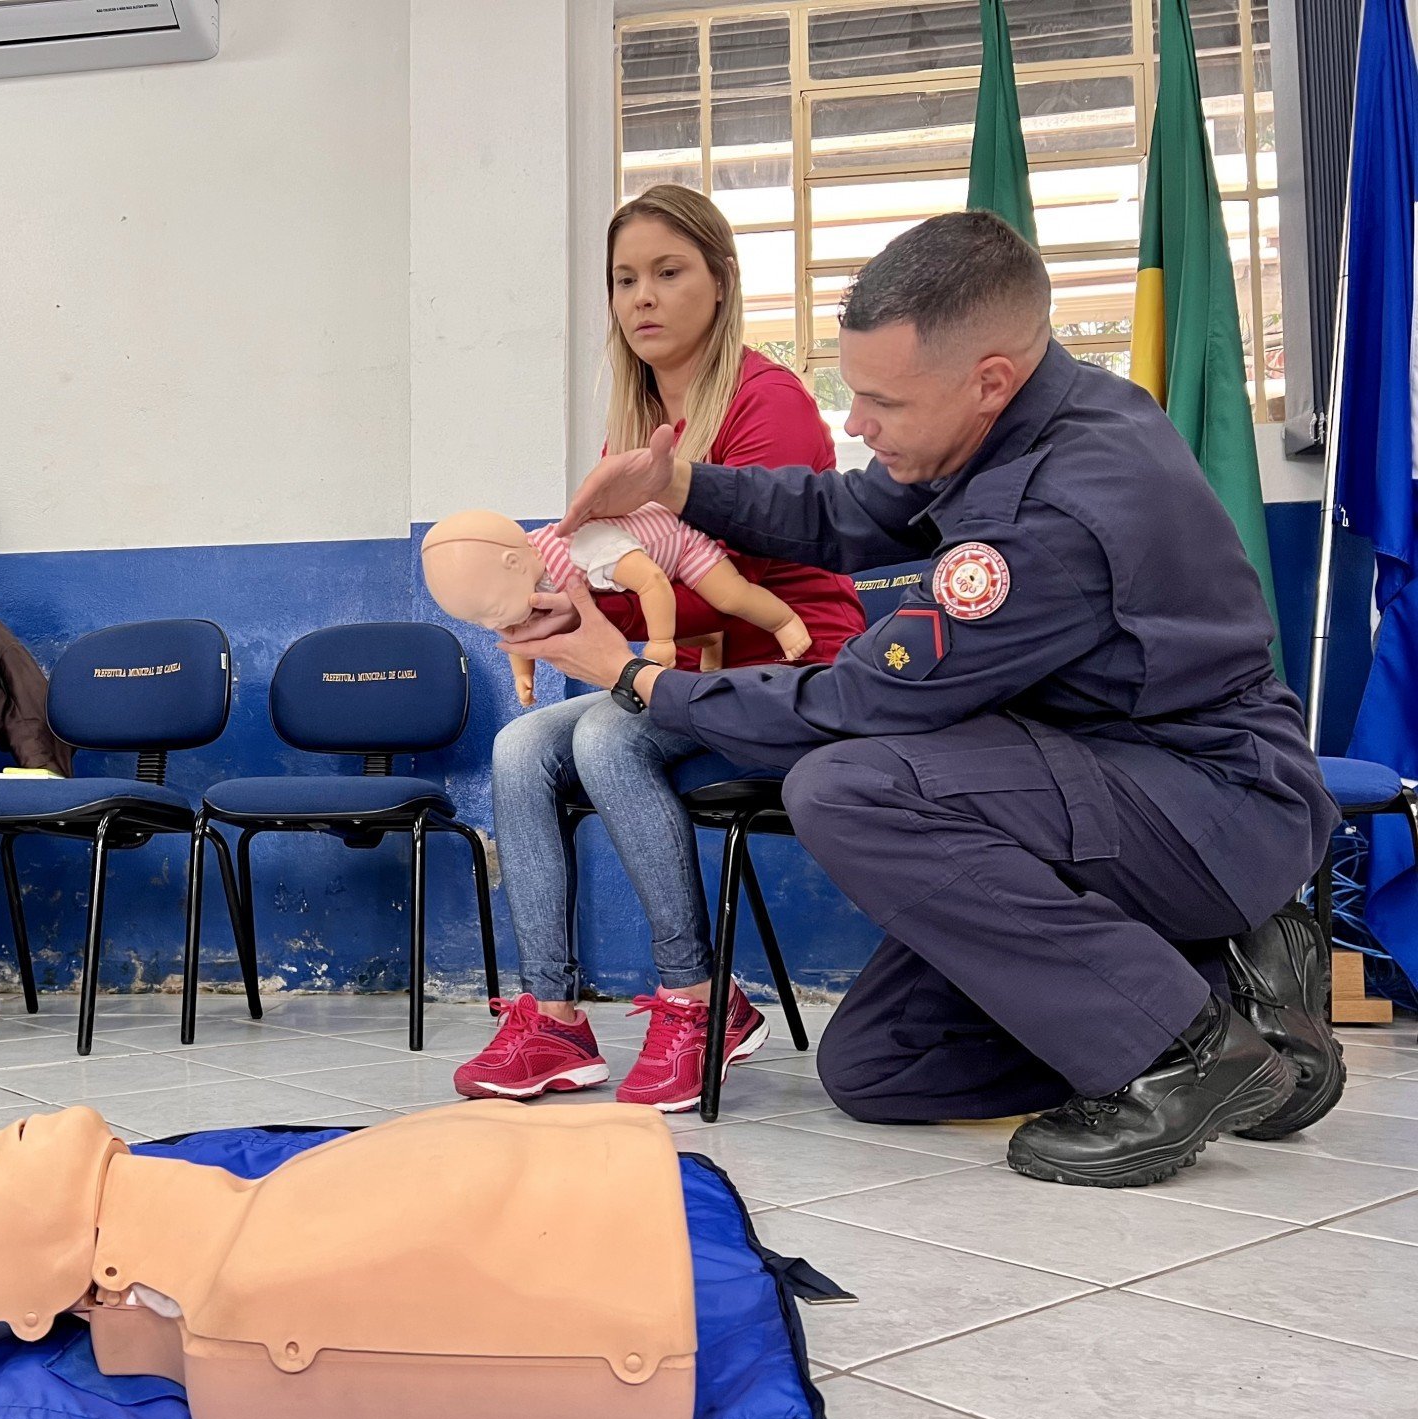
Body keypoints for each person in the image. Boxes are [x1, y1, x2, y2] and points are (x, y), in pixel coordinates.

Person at [519, 210, 1341, 1188]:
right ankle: (1223, 986)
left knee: (845, 785)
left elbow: (851, 708)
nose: (857, 424)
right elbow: (842, 512)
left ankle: (1179, 1052)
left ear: (989, 378)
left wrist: (632, 675)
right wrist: (680, 482)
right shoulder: (1010, 423)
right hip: (1099, 782)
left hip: (1206, 804)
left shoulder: (1052, 510)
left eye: (879, 403)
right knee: (880, 1069)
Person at [453, 184, 865, 1114]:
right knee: (520, 746)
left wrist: (610, 607)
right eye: (624, 279)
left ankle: (699, 999)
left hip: (794, 666)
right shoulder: (631, 429)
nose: (641, 297)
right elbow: (628, 577)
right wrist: (555, 607)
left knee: (609, 739)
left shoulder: (774, 402)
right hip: (689, 667)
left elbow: (739, 567)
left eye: (668, 273)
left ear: (719, 282)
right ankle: (552, 1018)